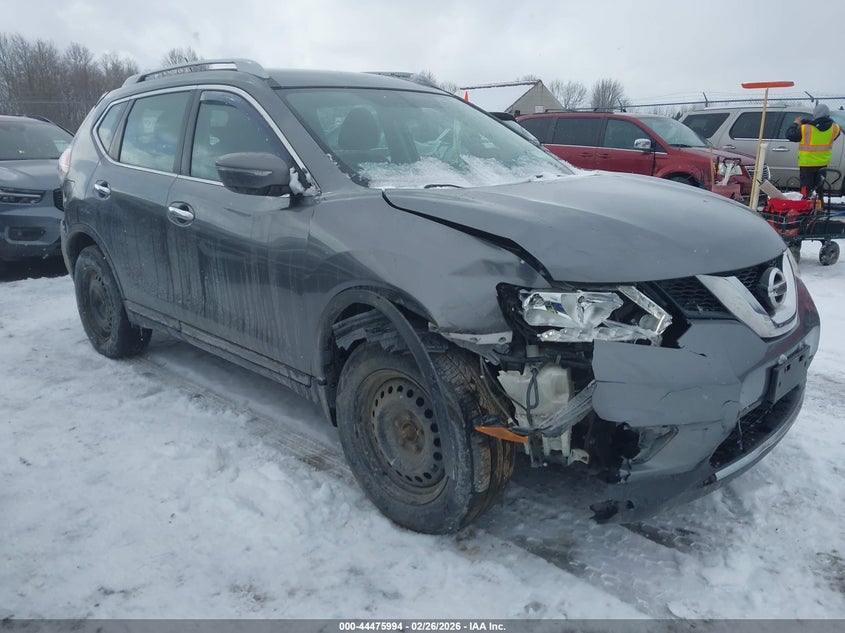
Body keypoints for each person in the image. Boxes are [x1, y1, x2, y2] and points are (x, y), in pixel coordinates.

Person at [785, 103, 842, 199]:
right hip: (822, 164)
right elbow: (823, 127)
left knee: (807, 191)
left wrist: (795, 123)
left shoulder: (805, 128)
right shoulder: (835, 128)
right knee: (819, 191)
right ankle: (819, 209)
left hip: (807, 164)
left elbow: (790, 135)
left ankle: (807, 210)